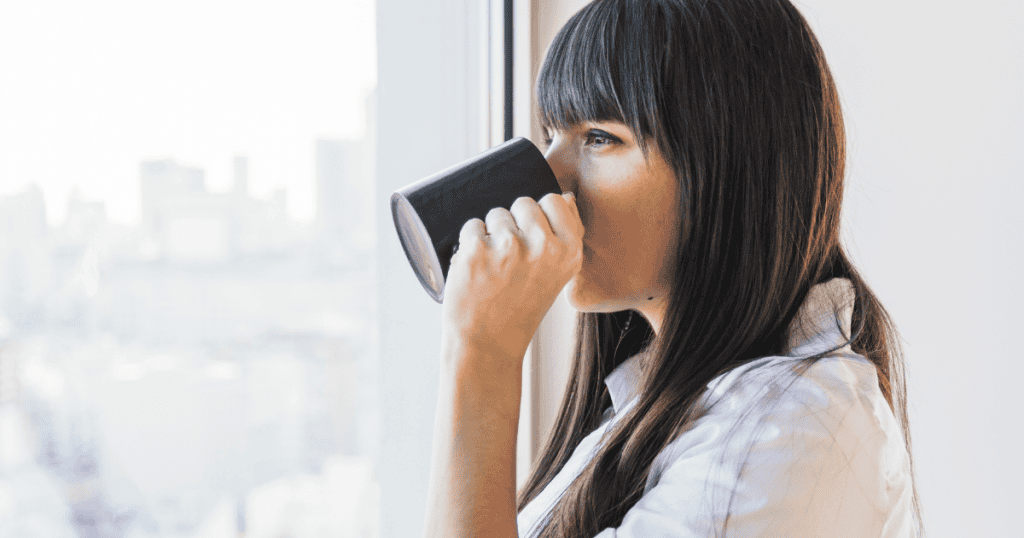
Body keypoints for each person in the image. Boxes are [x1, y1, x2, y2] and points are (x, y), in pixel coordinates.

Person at [423, 0, 924, 537]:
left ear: (727, 163)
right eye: (551, 137)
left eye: (599, 138)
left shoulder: (784, 431)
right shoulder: (655, 407)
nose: (549, 183)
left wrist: (481, 354)